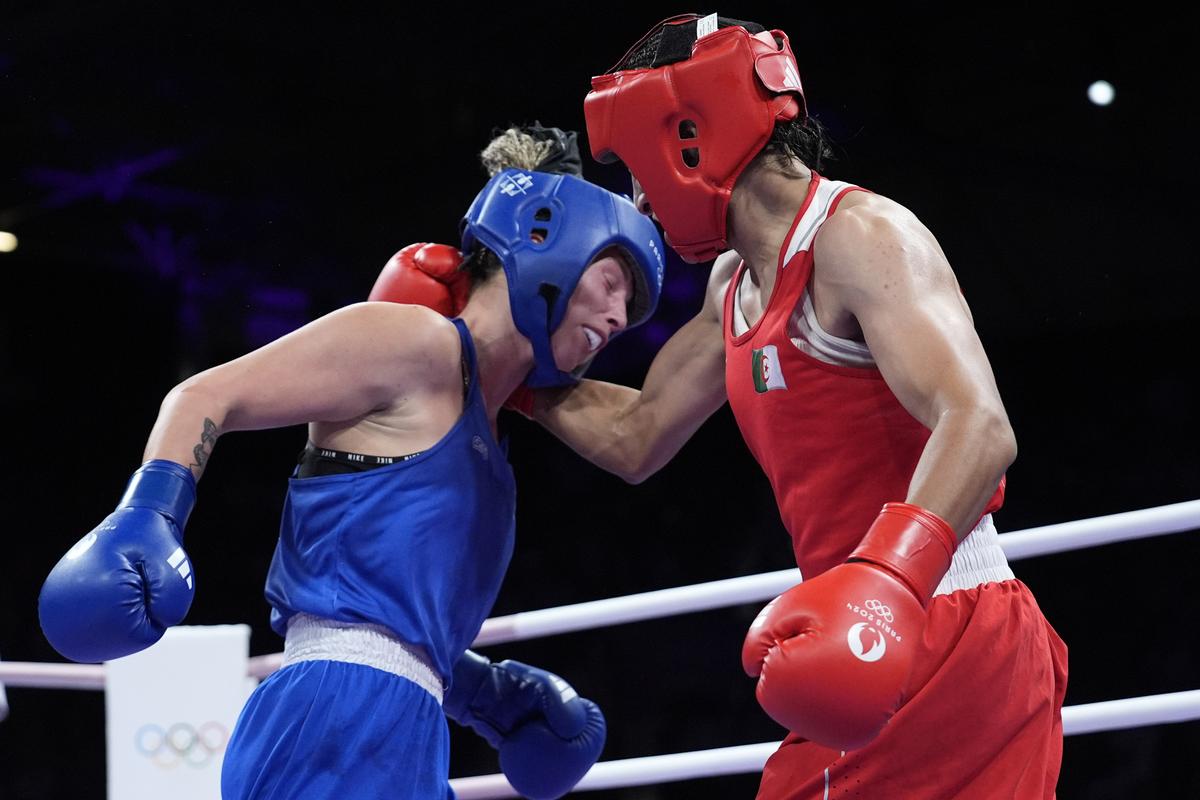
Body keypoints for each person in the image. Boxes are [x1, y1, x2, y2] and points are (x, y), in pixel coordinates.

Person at [37, 126, 666, 800]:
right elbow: (206, 395)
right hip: (333, 716)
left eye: (630, 301)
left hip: (406, 725)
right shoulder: (415, 342)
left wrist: (484, 692)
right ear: (548, 240)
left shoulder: (489, 425)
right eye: (611, 282)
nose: (619, 314)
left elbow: (389, 609)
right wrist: (148, 514)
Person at [536, 14, 1063, 798]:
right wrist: (499, 368)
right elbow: (637, 433)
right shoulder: (734, 284)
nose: (638, 199)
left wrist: (886, 581)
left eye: (638, 166)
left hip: (943, 620)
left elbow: (979, 425)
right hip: (867, 632)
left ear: (690, 136)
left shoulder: (862, 236)